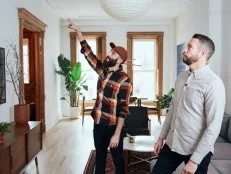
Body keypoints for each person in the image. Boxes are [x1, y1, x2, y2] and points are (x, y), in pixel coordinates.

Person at [152, 34, 225, 174]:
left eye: (189, 47)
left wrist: (194, 161)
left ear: (203, 53)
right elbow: (172, 110)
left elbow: (214, 127)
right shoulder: (181, 77)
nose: (184, 50)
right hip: (173, 143)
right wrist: (161, 137)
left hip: (197, 150)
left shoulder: (213, 83)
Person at [67, 20, 132, 174]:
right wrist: (78, 30)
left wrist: (116, 134)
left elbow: (124, 109)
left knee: (117, 160)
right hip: (98, 124)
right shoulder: (102, 70)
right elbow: (88, 53)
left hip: (113, 127)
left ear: (120, 61)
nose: (109, 54)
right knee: (100, 158)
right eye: (110, 52)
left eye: (113, 53)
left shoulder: (125, 80)